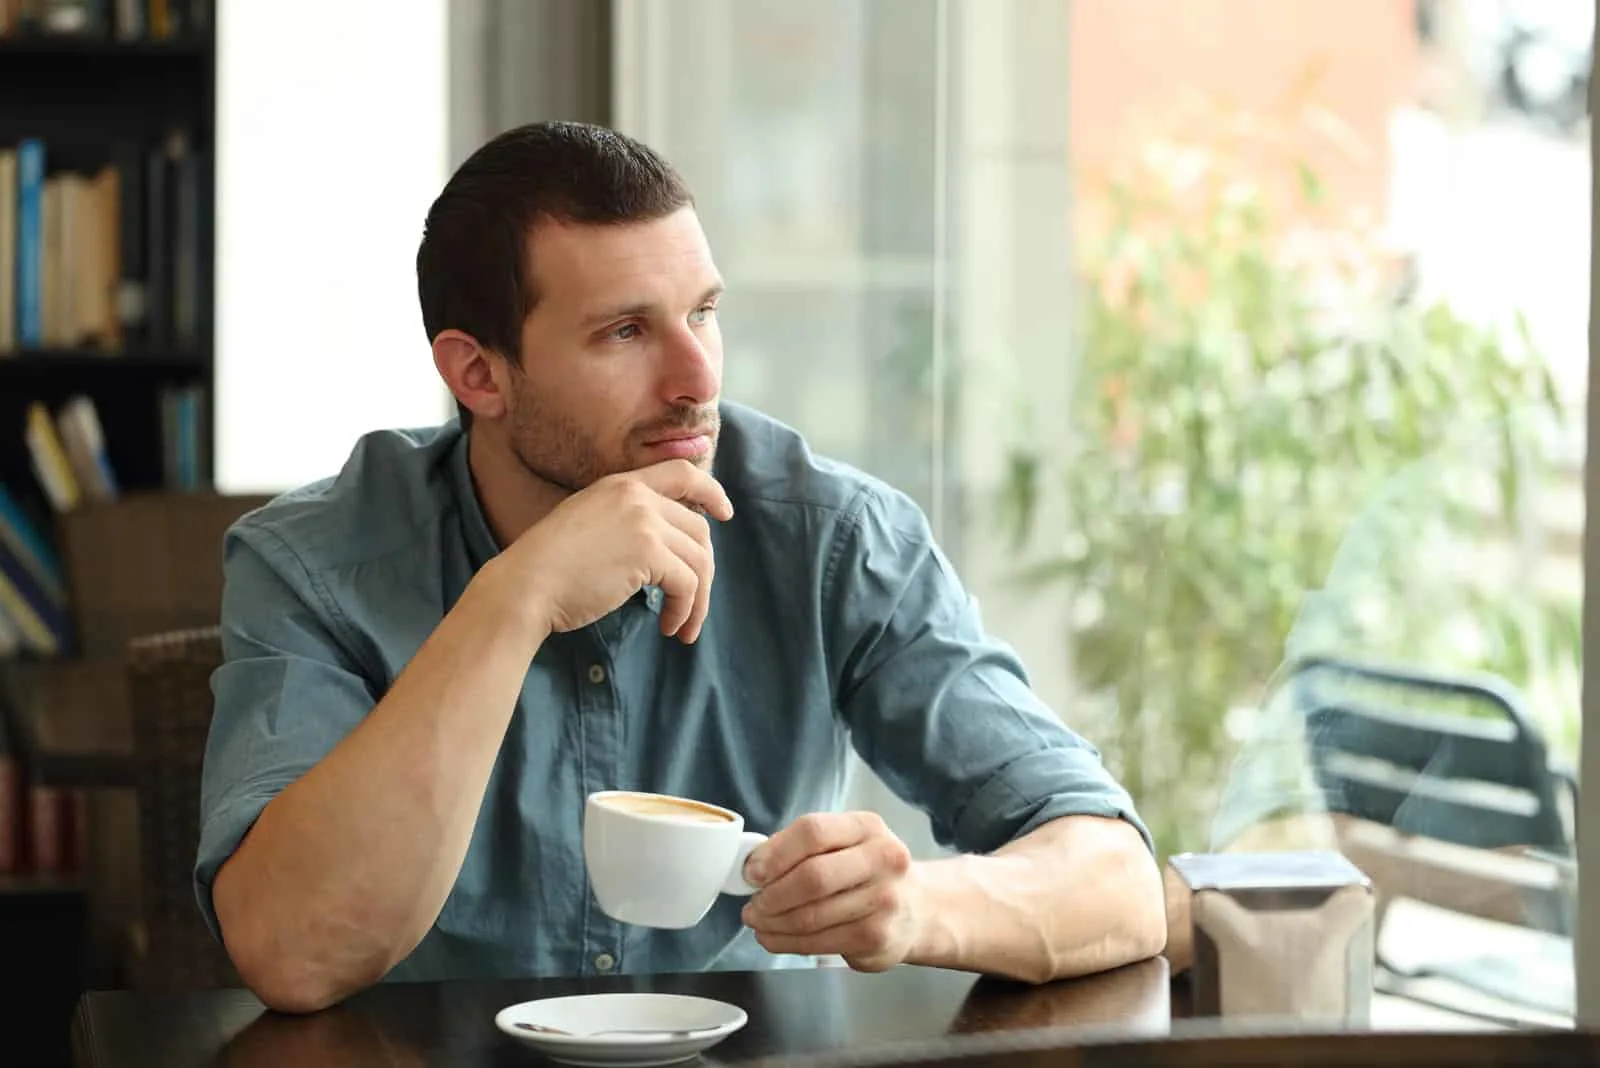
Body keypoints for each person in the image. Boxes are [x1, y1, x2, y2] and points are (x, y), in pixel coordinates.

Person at [196, 121, 1165, 1014]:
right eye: (625, 332)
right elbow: (293, 953)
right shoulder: (316, 563)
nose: (697, 378)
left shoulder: (830, 537)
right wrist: (518, 596)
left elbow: (1117, 885)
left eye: (702, 313)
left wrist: (915, 908)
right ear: (477, 374)